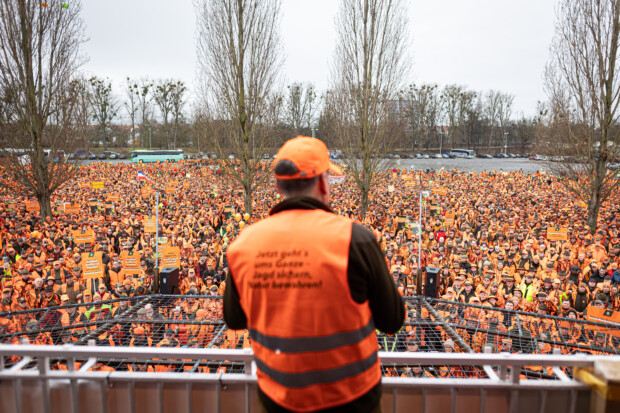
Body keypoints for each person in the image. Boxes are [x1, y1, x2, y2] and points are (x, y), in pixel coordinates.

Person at [224, 136, 404, 413]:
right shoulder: (356, 239)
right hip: (352, 399)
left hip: (278, 398)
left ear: (277, 186)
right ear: (322, 183)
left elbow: (234, 319)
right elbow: (392, 320)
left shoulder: (242, 245)